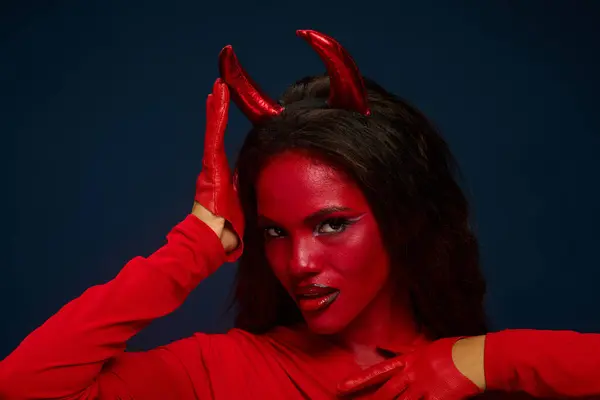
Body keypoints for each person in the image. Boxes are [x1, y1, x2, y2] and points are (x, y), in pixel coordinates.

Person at [0, 30, 598, 400]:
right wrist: (196, 244)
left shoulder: (484, 375)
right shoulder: (222, 373)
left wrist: (494, 360)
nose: (298, 262)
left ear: (403, 215)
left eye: (332, 224)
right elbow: (23, 388)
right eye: (275, 233)